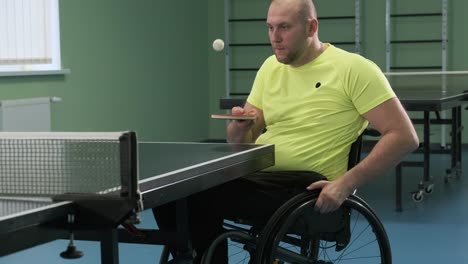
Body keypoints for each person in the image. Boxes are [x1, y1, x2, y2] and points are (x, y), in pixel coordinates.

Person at [153, 0, 419, 263]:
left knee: (197, 197)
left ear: (311, 27)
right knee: (168, 192)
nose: (275, 38)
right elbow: (240, 143)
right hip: (258, 176)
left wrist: (346, 184)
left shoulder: (353, 69)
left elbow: (404, 136)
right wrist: (239, 127)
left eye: (284, 27)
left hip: (304, 187)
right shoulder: (270, 67)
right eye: (270, 28)